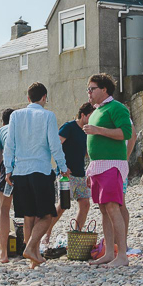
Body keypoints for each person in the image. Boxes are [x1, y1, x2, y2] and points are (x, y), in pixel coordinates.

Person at [3, 82, 68, 268]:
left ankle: (33, 260)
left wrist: (8, 169)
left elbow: (10, 145)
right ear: (44, 98)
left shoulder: (15, 115)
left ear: (28, 98)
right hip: (40, 170)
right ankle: (31, 248)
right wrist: (62, 166)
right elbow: (54, 144)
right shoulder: (48, 115)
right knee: (47, 215)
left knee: (29, 215)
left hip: (20, 171)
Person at [84, 73, 132, 268]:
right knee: (104, 210)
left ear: (104, 89)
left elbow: (126, 133)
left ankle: (122, 255)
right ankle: (109, 253)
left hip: (112, 165)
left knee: (113, 208)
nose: (89, 92)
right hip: (98, 166)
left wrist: (98, 131)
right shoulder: (97, 110)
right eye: (88, 89)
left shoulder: (117, 108)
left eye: (92, 89)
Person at [44, 102, 94, 245]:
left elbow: (84, 152)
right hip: (67, 174)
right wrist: (61, 166)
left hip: (81, 174)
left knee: (85, 204)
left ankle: (76, 235)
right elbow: (55, 145)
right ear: (83, 115)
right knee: (63, 205)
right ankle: (46, 233)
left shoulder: (87, 131)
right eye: (91, 116)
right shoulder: (69, 127)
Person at [0, 108, 15, 263]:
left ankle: (4, 254)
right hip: (28, 166)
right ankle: (31, 250)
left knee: (4, 210)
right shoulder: (20, 128)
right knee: (28, 211)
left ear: (3, 121)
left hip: (9, 168)